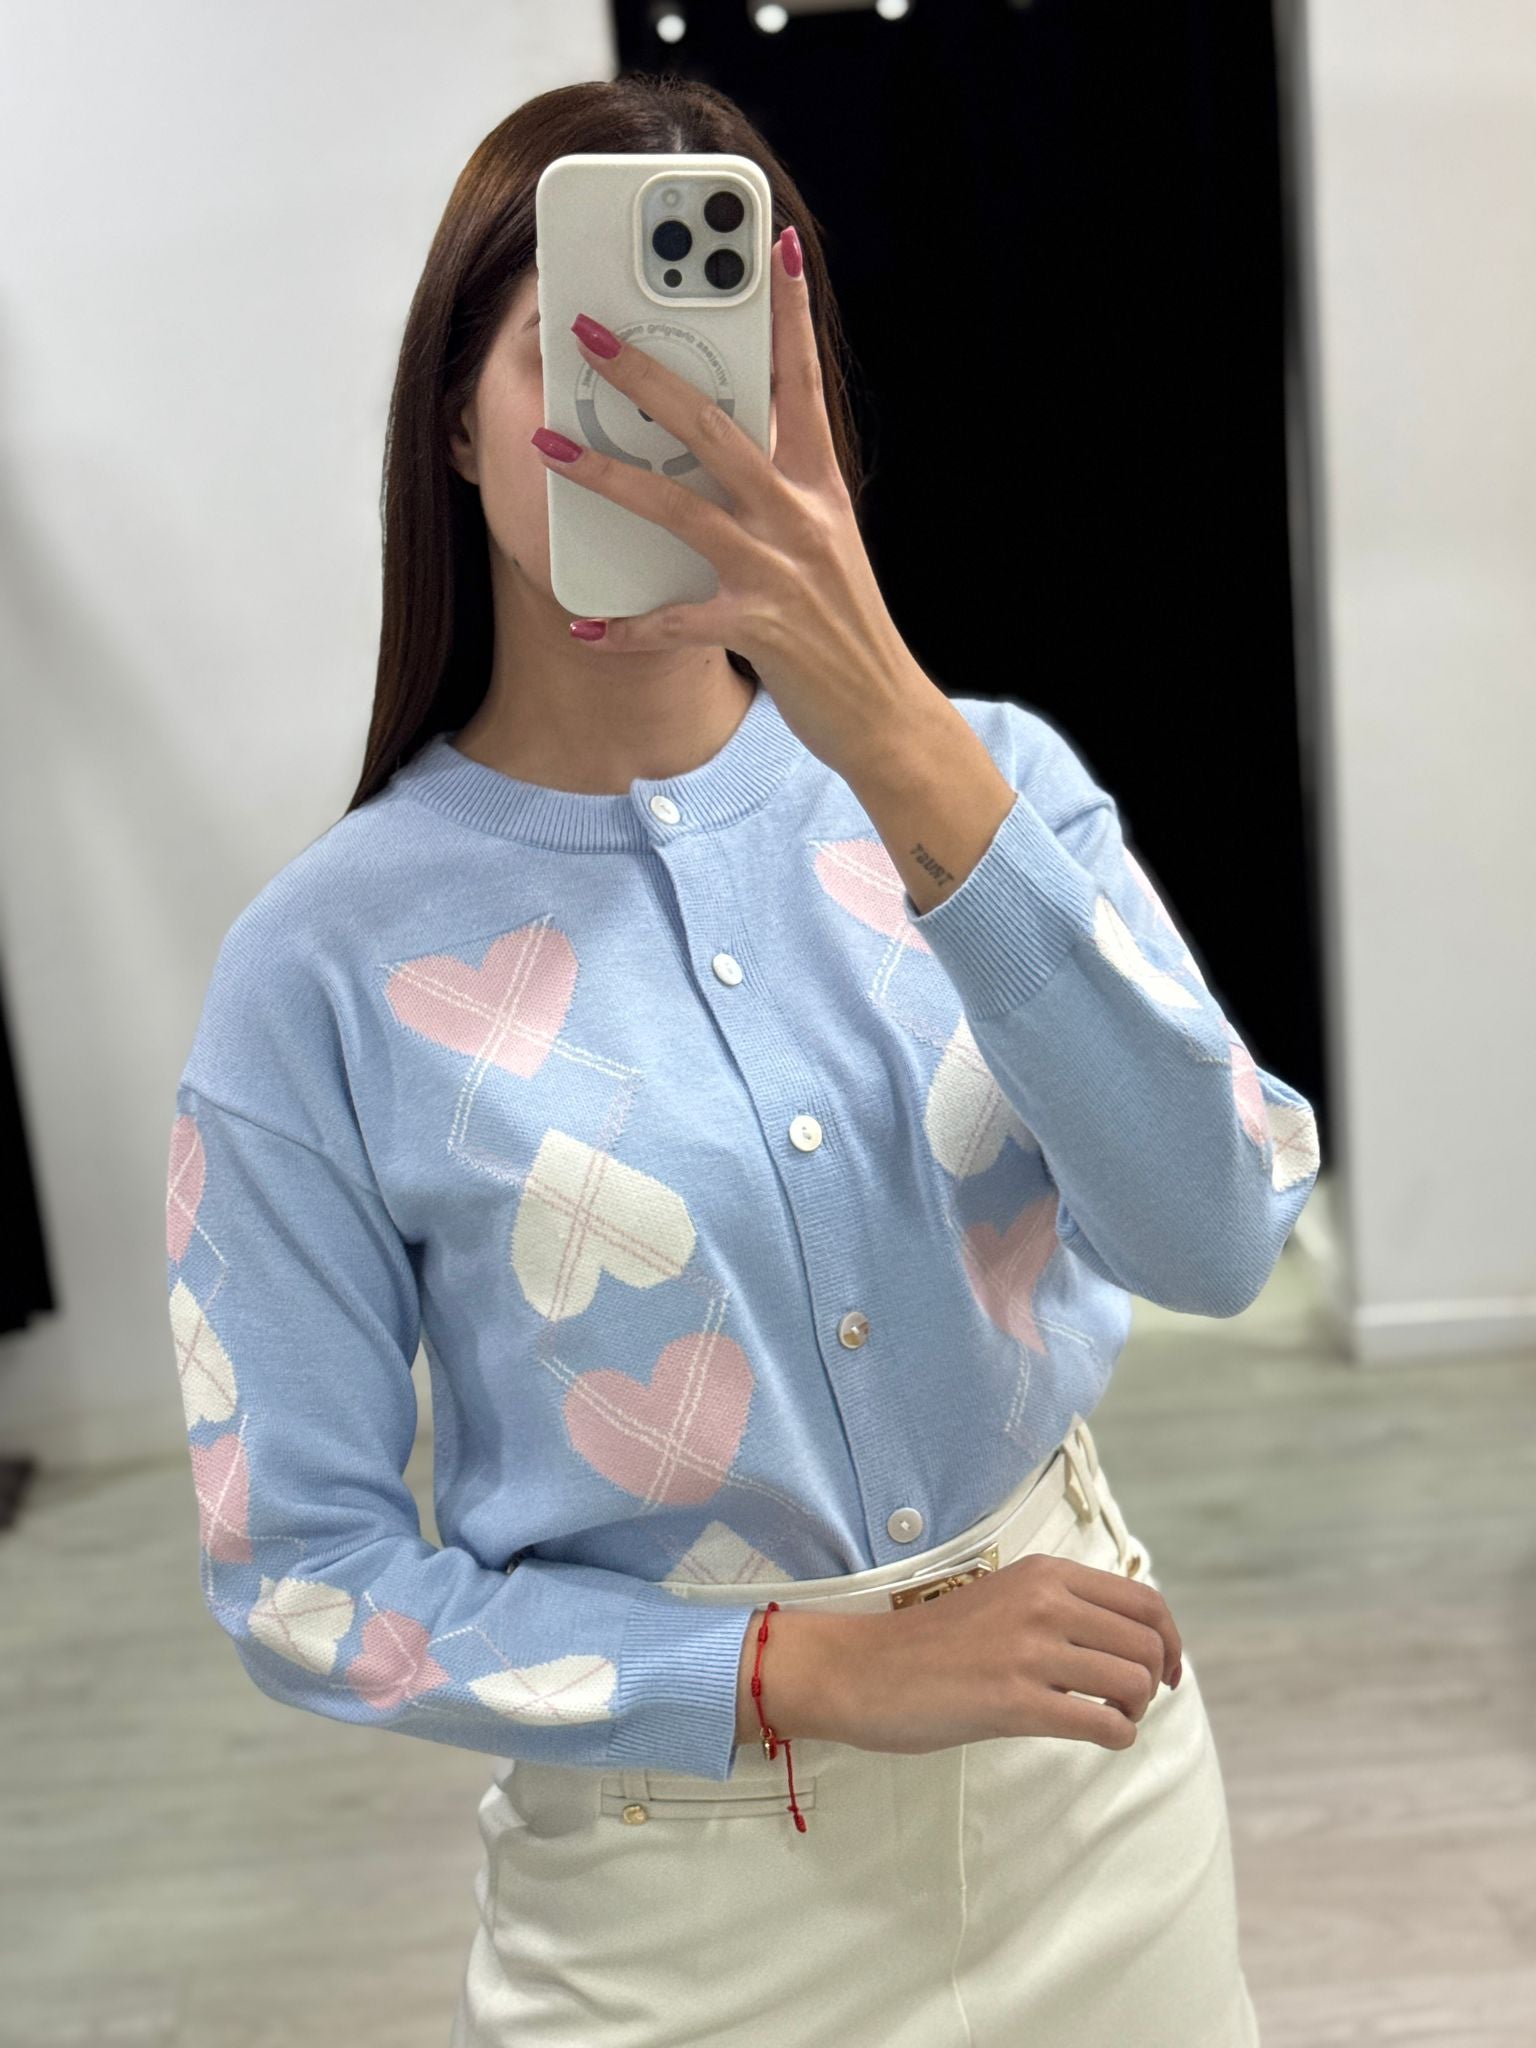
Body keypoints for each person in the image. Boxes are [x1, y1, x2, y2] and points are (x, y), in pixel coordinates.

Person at [164, 71, 1318, 2047]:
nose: (647, 417)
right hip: (671, 1898)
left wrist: (893, 733)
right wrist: (797, 1670)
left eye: (706, 359)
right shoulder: (318, 973)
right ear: (454, 420)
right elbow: (302, 1578)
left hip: (1091, 1795)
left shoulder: (992, 783)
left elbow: (1220, 1238)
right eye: (574, 355)